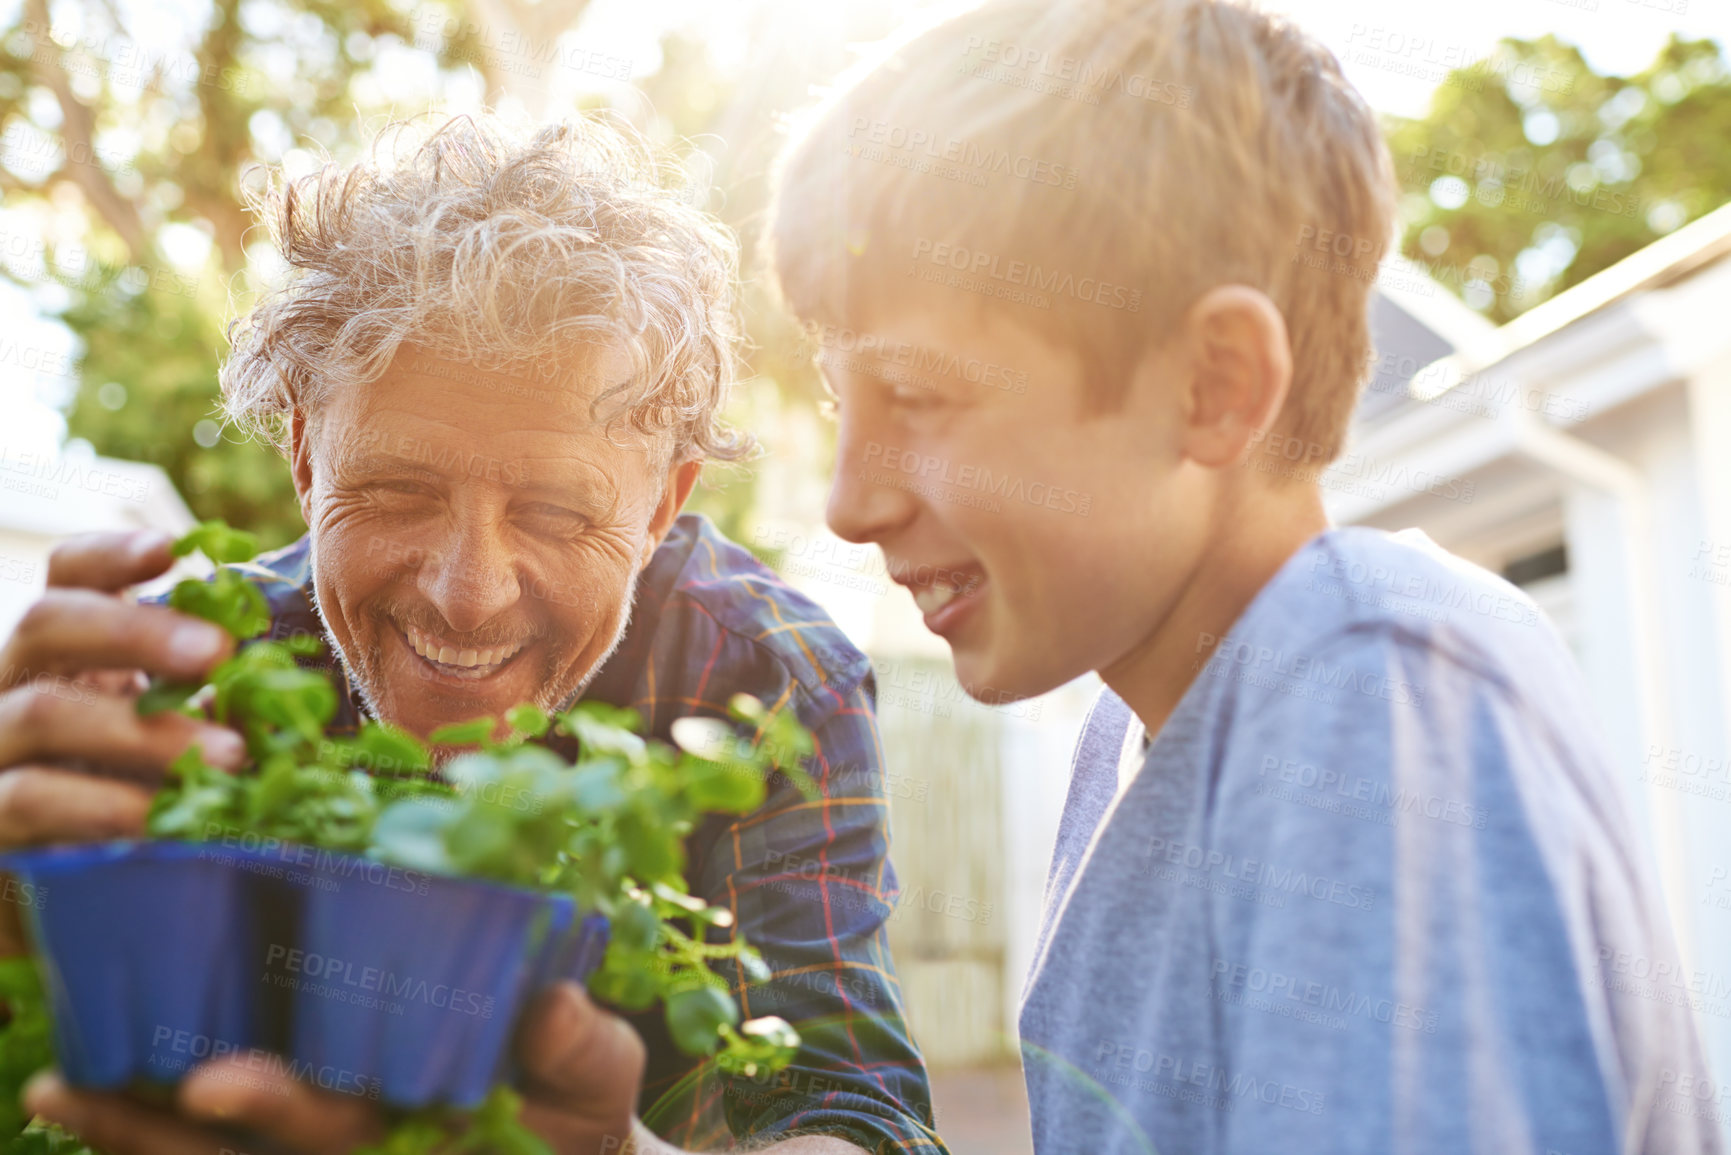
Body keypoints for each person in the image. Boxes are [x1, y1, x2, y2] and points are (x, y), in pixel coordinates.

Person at [766, 1, 1720, 1151]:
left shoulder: (1371, 699)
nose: (849, 500)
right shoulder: (1133, 744)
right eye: (841, 403)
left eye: (917, 399)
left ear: (1213, 386)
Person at [0, 114, 945, 1155]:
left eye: (554, 513)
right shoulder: (185, 679)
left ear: (664, 504)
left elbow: (855, 1114)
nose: (467, 595)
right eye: (398, 491)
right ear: (308, 458)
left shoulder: (768, 679)